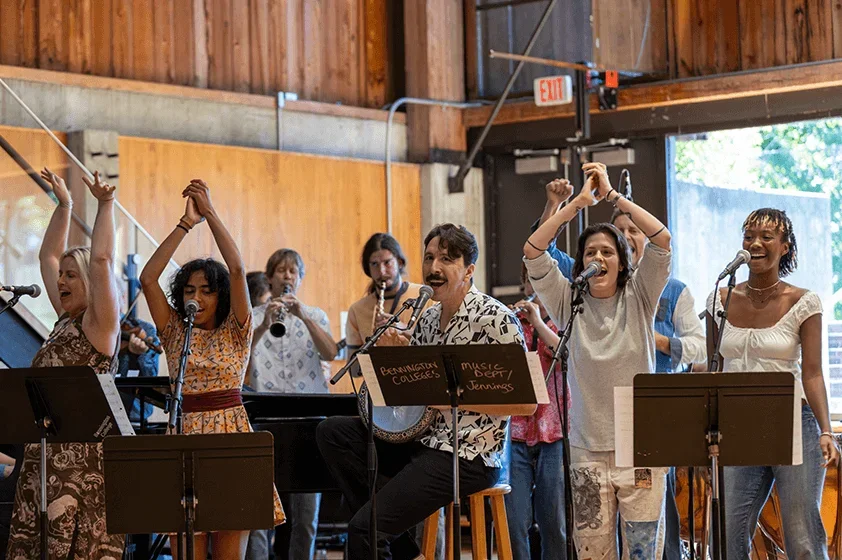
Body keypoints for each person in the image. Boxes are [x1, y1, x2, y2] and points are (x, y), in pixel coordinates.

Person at [317, 223, 534, 560]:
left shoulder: (496, 319)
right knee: (332, 432)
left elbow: (526, 404)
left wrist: (450, 397)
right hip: (421, 440)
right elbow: (399, 397)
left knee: (363, 529)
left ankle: (385, 536)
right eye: (429, 257)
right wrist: (388, 355)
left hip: (468, 455)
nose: (434, 268)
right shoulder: (428, 319)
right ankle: (402, 545)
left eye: (447, 259)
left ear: (469, 270)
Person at [536, 176, 706, 559]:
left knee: (644, 552)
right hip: (586, 449)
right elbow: (533, 250)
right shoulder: (568, 301)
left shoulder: (641, 295)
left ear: (623, 261)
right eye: (591, 252)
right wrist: (578, 203)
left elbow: (662, 239)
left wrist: (614, 197)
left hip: (641, 447)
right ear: (580, 262)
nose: (598, 259)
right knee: (593, 552)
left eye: (608, 252)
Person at [140, 179, 284, 559]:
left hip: (230, 435)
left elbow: (237, 269)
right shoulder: (174, 331)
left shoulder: (237, 329)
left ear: (220, 295)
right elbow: (147, 278)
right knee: (186, 551)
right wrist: (184, 225)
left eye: (206, 290)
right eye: (189, 290)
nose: (197, 297)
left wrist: (211, 214)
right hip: (183, 435)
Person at [706, 208, 839, 559]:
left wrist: (826, 430)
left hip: (792, 423)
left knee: (802, 535)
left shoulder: (803, 300)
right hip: (737, 427)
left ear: (785, 247)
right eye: (749, 236)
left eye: (767, 237)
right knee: (728, 534)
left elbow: (811, 372)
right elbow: (712, 368)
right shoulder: (719, 299)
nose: (755, 243)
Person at [7, 168, 124, 560]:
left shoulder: (99, 325)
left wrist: (105, 204)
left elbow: (104, 258)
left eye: (71, 275)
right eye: (61, 275)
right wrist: (64, 205)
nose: (61, 280)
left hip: (80, 470)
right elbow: (47, 254)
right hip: (43, 460)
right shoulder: (64, 321)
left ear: (90, 283)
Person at [245, 249, 336, 560]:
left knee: (306, 516)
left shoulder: (316, 315)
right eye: (280, 270)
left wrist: (304, 316)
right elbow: (240, 368)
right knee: (259, 514)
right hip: (265, 419)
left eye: (292, 271)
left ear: (300, 278)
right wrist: (262, 325)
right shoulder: (252, 317)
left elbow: (330, 354)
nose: (286, 276)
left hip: (308, 420)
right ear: (269, 277)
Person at [505, 266, 568, 560]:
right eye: (531, 280)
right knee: (514, 521)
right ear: (524, 284)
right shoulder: (511, 322)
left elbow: (564, 353)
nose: (536, 287)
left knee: (553, 521)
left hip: (551, 433)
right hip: (515, 433)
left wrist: (539, 322)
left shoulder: (561, 321)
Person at [345, 233, 429, 354]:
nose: (381, 271)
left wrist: (404, 329)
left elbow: (439, 344)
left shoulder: (424, 296)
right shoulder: (357, 310)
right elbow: (354, 369)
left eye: (387, 263)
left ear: (399, 262)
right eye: (374, 264)